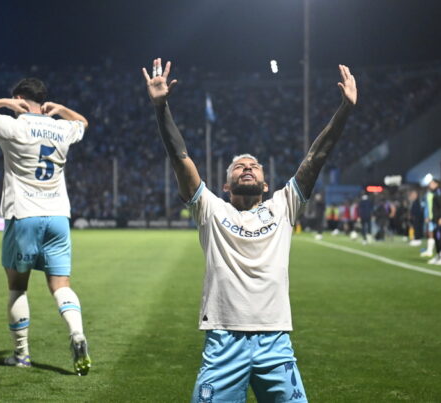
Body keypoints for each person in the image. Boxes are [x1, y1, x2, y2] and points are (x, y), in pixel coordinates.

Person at [143, 58, 356, 402]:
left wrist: (345, 109)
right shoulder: (210, 209)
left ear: (265, 182)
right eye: (238, 167)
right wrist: (161, 107)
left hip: (275, 339)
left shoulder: (283, 206)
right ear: (225, 185)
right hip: (224, 338)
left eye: (253, 166)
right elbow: (180, 156)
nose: (247, 168)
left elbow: (316, 156)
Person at [0, 78, 91, 375]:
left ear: (19, 98)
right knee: (61, 286)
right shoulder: (61, 128)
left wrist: (4, 104)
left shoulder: (12, 125)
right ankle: (77, 334)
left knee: (18, 286)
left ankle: (22, 354)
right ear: (44, 101)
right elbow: (83, 122)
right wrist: (61, 109)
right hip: (58, 216)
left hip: (24, 214)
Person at [425, 179, 441, 266]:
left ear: (436, 184)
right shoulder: (434, 193)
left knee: (439, 238)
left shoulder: (438, 193)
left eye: (431, 183)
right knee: (436, 237)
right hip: (435, 220)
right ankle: (439, 255)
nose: (429, 184)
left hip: (439, 220)